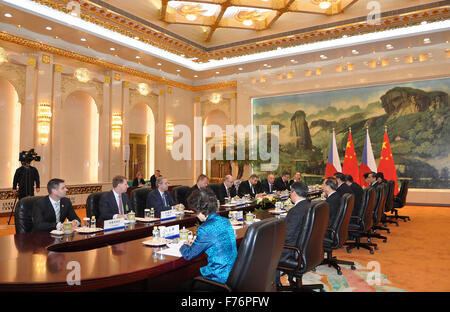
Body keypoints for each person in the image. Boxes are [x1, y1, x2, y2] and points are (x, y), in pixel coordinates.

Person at [179, 189, 237, 291]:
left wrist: (185, 245)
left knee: (181, 286)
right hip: (234, 274)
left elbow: (189, 255)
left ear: (199, 210)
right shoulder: (225, 221)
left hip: (218, 279)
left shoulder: (205, 228)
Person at [276, 181, 311, 286]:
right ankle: (289, 278)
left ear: (294, 193)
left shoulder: (295, 211)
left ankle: (275, 284)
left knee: (269, 249)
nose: (290, 194)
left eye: (290, 192)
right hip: (308, 249)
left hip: (293, 251)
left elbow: (287, 236)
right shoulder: (310, 205)